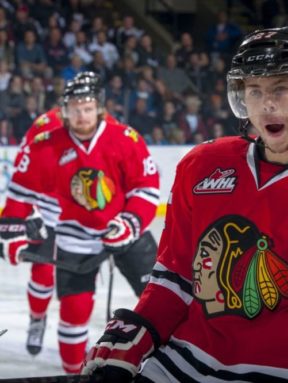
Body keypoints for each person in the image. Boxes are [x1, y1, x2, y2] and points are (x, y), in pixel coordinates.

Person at [82, 26, 288, 382]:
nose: (267, 103)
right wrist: (142, 328)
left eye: (281, 89)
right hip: (182, 364)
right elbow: (175, 276)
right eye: (254, 91)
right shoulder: (202, 165)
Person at [0, 75, 160, 373]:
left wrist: (131, 221)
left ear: (98, 107)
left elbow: (145, 187)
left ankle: (169, 361)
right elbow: (21, 191)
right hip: (70, 230)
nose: (81, 115)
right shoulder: (44, 140)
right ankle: (72, 372)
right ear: (64, 110)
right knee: (72, 308)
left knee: (159, 297)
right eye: (75, 108)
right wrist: (11, 229)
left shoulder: (124, 137)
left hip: (123, 225)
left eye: (87, 108)